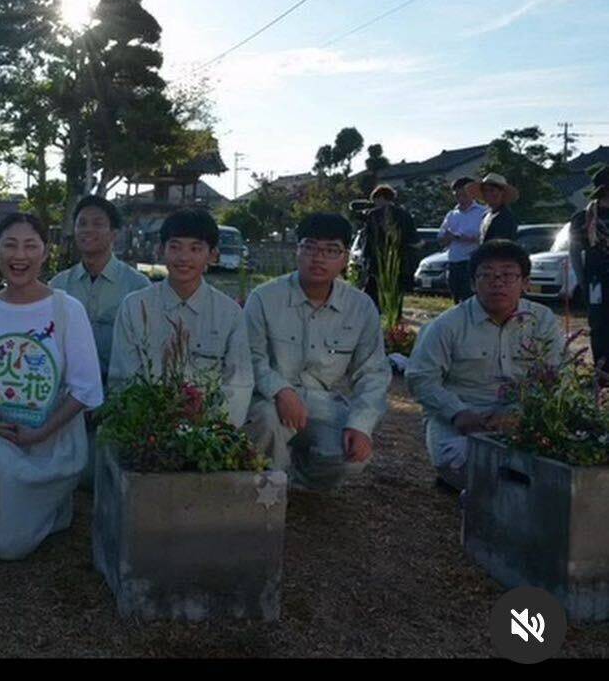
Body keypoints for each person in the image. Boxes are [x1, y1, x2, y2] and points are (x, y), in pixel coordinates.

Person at [0, 212, 102, 560]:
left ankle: (51, 504)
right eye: (10, 245)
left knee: (7, 547)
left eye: (31, 246)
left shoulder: (67, 309)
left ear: (45, 252)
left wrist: (40, 431)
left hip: (52, 442)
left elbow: (86, 388)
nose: (20, 256)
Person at [244, 212, 391, 491]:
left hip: (324, 404)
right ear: (297, 251)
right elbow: (251, 357)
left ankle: (293, 480)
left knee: (349, 457)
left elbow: (372, 373)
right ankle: (266, 487)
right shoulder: (264, 298)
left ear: (345, 258)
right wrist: (280, 390)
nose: (318, 258)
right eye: (310, 247)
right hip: (270, 400)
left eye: (331, 250)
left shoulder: (361, 307)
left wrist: (361, 425)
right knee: (264, 420)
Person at [406, 239, 565, 490]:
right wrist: (458, 413)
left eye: (508, 275)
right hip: (460, 420)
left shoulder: (542, 320)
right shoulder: (446, 326)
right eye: (487, 275)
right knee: (465, 464)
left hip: (522, 417)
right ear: (473, 283)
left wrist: (517, 413)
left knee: (556, 465)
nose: (497, 282)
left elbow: (555, 375)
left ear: (525, 283)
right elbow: (421, 379)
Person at [110, 207, 251, 425]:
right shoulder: (134, 307)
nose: (184, 257)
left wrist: (210, 427)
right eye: (175, 247)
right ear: (161, 250)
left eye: (195, 249)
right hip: (144, 429)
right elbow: (123, 379)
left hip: (209, 431)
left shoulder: (230, 314)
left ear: (212, 255)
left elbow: (238, 385)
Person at [53, 195, 151, 381]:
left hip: (119, 391)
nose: (88, 230)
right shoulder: (58, 285)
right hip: (68, 390)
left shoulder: (138, 286)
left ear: (114, 233)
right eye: (82, 224)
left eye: (97, 224)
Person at [566, 164, 609, 374]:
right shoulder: (583, 218)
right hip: (596, 278)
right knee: (599, 325)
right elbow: (575, 252)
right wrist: (582, 281)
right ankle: (602, 372)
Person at [360, 185, 419, 315]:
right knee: (395, 296)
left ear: (381, 198)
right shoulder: (405, 215)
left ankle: (372, 318)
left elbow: (368, 239)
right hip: (398, 261)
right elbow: (413, 239)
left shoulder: (374, 215)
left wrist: (365, 258)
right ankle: (394, 320)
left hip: (378, 261)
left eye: (375, 200)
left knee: (372, 295)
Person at [437, 176, 486, 304]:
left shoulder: (482, 213)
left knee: (471, 299)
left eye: (464, 195)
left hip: (471, 262)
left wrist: (460, 237)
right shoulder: (452, 215)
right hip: (453, 262)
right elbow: (441, 239)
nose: (461, 199)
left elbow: (484, 238)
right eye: (457, 195)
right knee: (456, 299)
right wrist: (448, 237)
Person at [474, 173, 520, 244]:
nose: (488, 194)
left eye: (492, 190)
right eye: (485, 190)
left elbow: (500, 244)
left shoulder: (505, 216)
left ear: (502, 193)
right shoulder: (486, 215)